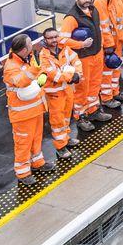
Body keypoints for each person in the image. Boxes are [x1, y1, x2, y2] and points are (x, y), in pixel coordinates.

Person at [3, 34, 52, 185]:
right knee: (23, 143)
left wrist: (41, 74)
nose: (33, 45)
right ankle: (23, 173)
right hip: (22, 114)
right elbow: (22, 82)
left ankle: (37, 162)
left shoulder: (28, 57)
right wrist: (35, 70)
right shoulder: (11, 67)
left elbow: (40, 71)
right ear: (24, 49)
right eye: (30, 44)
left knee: (37, 138)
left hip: (35, 109)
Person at [60, 0, 110, 131]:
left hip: (96, 54)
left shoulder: (94, 10)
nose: (87, 0)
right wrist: (81, 44)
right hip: (83, 58)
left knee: (95, 85)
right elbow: (62, 40)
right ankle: (81, 116)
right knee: (82, 88)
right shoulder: (71, 18)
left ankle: (93, 110)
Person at [37, 27, 82, 160]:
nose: (54, 40)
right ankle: (60, 147)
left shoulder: (64, 48)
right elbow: (54, 75)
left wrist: (78, 73)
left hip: (66, 89)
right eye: (50, 38)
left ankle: (66, 139)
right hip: (54, 93)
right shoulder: (44, 55)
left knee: (67, 116)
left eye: (56, 36)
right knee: (57, 121)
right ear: (45, 40)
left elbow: (76, 60)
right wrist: (71, 76)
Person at [93, 0, 123, 109]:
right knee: (107, 71)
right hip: (110, 42)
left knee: (116, 68)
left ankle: (115, 92)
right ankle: (107, 98)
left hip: (118, 39)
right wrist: (108, 44)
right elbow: (103, 24)